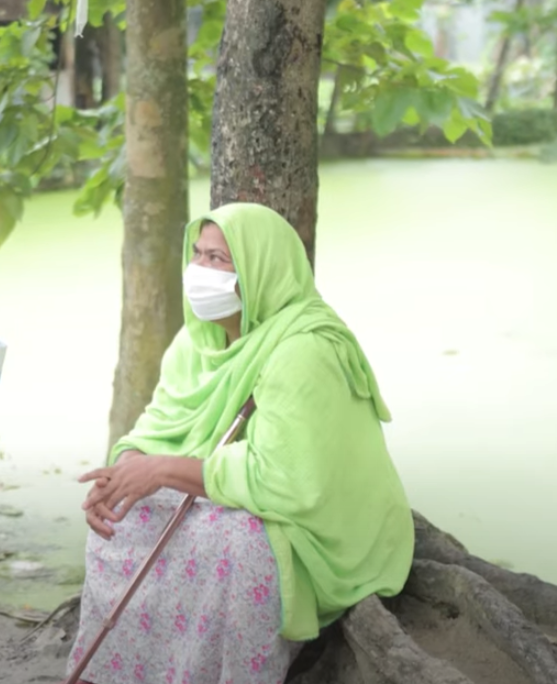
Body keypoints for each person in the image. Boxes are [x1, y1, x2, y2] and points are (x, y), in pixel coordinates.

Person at [69, 203, 415, 684]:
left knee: (238, 543)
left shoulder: (303, 349)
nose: (200, 272)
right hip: (230, 495)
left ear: (259, 267)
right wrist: (124, 472)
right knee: (125, 517)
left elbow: (283, 479)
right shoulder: (197, 341)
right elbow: (156, 426)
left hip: (315, 525)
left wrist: (162, 471)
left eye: (218, 260)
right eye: (197, 255)